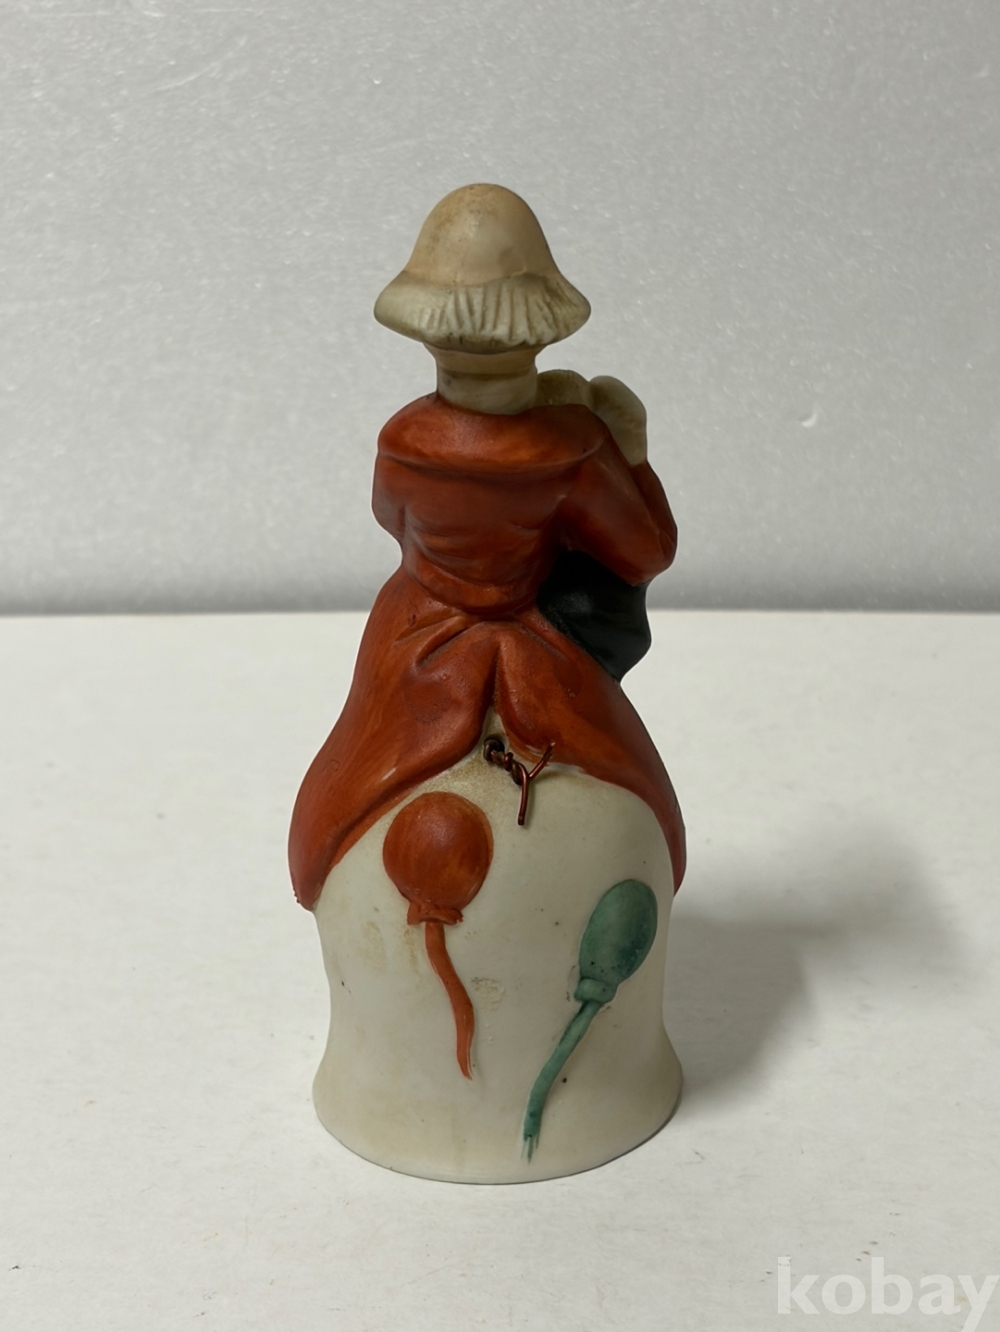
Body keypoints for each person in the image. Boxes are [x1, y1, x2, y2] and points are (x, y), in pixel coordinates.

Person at [289, 184, 685, 911]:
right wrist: (629, 452)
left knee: (351, 763)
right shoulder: (574, 446)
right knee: (637, 785)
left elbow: (389, 519)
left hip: (417, 633)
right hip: (537, 643)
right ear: (541, 330)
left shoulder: (401, 438)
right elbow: (645, 552)